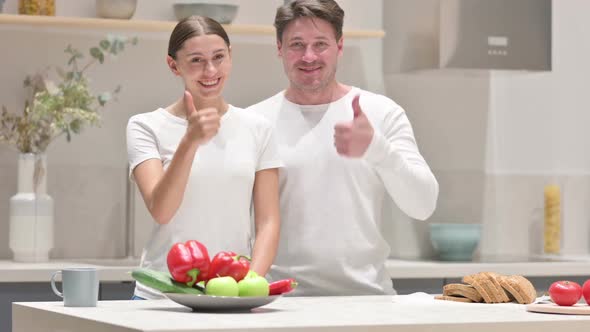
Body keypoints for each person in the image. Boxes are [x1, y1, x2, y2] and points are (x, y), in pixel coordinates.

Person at [247, 0, 439, 296]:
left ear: (339, 46)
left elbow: (423, 204)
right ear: (279, 48)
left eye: (320, 44)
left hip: (367, 300)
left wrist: (377, 149)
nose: (308, 56)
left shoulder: (381, 112)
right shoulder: (255, 122)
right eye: (296, 44)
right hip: (278, 303)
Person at [126, 16, 283, 300]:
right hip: (161, 297)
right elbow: (161, 210)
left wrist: (250, 284)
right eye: (196, 60)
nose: (210, 70)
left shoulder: (258, 128)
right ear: (173, 65)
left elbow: (268, 222)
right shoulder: (145, 126)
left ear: (231, 56)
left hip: (235, 293)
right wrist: (190, 142)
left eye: (219, 57)